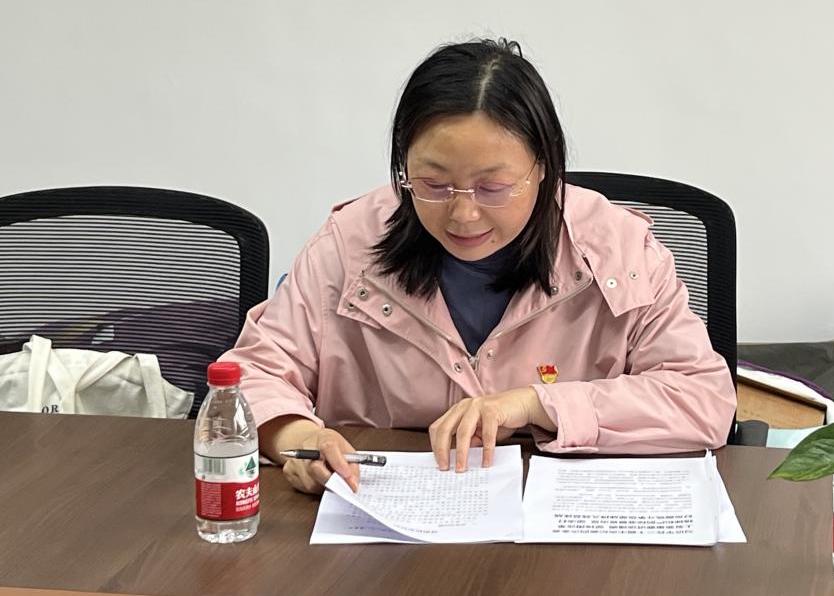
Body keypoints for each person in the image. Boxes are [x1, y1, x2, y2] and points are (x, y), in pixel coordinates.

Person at [220, 38, 736, 495]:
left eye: (493, 187)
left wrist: (535, 404)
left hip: (559, 532)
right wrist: (298, 439)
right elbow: (252, 375)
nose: (463, 214)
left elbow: (702, 399)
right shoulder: (349, 246)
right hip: (380, 525)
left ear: (544, 167)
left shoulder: (618, 251)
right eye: (433, 184)